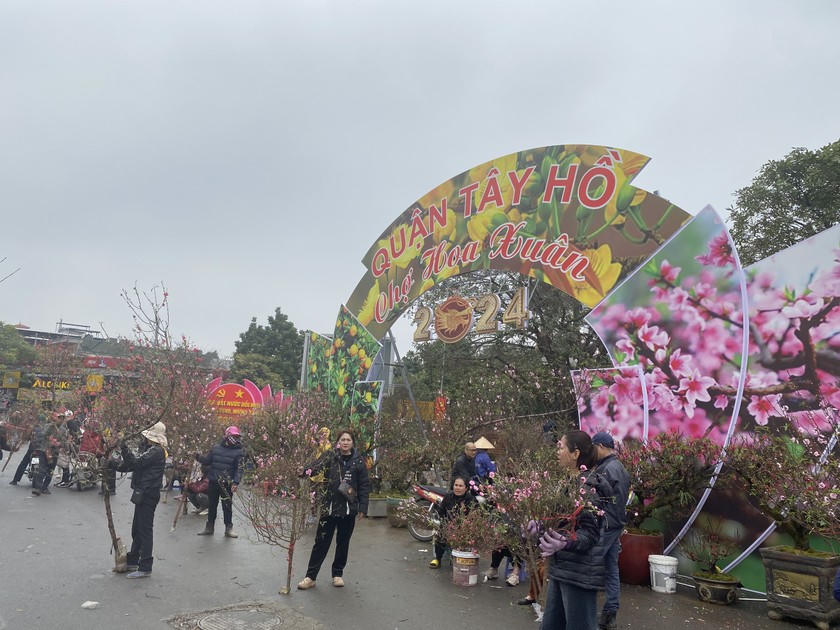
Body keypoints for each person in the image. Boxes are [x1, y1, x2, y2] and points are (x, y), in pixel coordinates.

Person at [539, 430, 610, 630]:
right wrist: (540, 526)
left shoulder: (587, 487)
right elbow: (562, 521)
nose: (557, 452)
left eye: (561, 447)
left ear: (575, 454)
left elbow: (590, 534)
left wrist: (566, 542)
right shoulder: (570, 483)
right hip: (563, 567)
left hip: (579, 572)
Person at [298, 428, 370, 590]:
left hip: (348, 510)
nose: (345, 442)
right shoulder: (330, 456)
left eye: (348, 440)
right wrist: (302, 471)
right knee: (321, 543)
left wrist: (363, 508)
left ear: (352, 443)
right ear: (338, 442)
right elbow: (315, 467)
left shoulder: (359, 461)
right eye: (342, 440)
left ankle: (337, 574)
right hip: (329, 508)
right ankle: (310, 577)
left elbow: (364, 485)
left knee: (343, 543)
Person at [113, 421, 167, 578]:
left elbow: (136, 462)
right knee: (137, 529)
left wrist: (124, 447)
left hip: (148, 494)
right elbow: (132, 465)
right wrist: (113, 464)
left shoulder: (156, 451)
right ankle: (133, 560)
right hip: (143, 492)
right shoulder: (149, 449)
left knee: (144, 530)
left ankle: (145, 566)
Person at [592, 431, 630, 630]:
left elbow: (600, 499)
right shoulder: (621, 468)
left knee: (591, 566)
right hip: (616, 524)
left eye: (593, 448)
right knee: (611, 569)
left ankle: (589, 613)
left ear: (600, 446)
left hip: (605, 524)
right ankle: (610, 613)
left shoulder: (606, 469)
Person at [195, 425, 244, 538]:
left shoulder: (239, 452)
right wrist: (197, 456)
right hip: (213, 481)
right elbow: (207, 461)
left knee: (227, 507)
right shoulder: (216, 448)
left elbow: (239, 469)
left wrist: (236, 482)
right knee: (212, 506)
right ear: (227, 436)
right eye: (233, 436)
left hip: (227, 484)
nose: (235, 439)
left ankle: (228, 528)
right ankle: (209, 527)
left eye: (237, 437)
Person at [429, 476, 477, 568]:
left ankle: (457, 557)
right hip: (448, 525)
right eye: (456, 485)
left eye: (460, 486)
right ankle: (437, 558)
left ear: (466, 488)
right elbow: (441, 512)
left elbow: (475, 516)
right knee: (440, 534)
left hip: (464, 528)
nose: (457, 488)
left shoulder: (471, 499)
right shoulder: (448, 497)